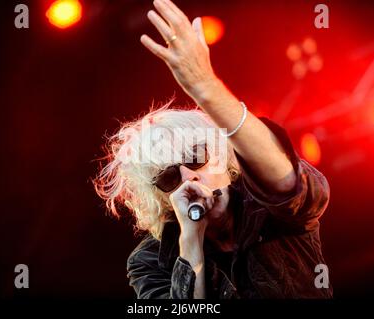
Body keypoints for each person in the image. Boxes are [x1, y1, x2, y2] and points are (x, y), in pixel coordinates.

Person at [94, 0, 332, 299]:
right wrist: (191, 239)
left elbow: (289, 185)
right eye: (169, 178)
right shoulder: (148, 262)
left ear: (223, 156)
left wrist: (203, 85)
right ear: (161, 199)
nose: (188, 179)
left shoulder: (267, 209)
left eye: (196, 158)